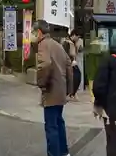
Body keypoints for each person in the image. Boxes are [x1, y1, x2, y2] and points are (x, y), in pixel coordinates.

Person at [32, 19, 73, 156]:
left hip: (51, 90)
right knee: (59, 122)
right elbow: (69, 65)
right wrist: (69, 89)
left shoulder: (43, 44)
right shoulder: (57, 45)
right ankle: (64, 152)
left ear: (39, 32)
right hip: (61, 91)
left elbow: (45, 64)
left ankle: (54, 153)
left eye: (33, 32)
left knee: (51, 126)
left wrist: (41, 83)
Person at [62, 30, 81, 100]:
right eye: (78, 37)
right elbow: (64, 54)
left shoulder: (73, 43)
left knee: (77, 76)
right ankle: (70, 93)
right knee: (75, 77)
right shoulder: (66, 43)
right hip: (68, 64)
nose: (78, 39)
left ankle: (72, 93)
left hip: (72, 63)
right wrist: (70, 61)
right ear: (74, 35)